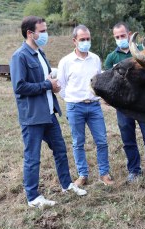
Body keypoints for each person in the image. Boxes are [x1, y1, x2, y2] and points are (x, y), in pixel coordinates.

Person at [10, 16, 87, 208]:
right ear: (30, 33)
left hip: (49, 113)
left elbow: (43, 80)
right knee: (32, 157)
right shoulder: (19, 56)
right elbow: (19, 87)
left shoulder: (40, 54)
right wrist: (46, 85)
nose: (45, 34)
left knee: (60, 150)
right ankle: (33, 197)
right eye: (42, 31)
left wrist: (52, 84)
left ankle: (67, 184)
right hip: (33, 117)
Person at [104, 22, 145, 189]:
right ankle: (134, 170)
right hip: (123, 107)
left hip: (144, 105)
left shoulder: (143, 53)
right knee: (128, 140)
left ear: (129, 35)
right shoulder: (111, 58)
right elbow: (108, 83)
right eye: (117, 37)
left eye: (123, 35)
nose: (120, 39)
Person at [57, 25, 114, 186]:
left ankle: (104, 173)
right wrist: (70, 99)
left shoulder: (95, 59)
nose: (86, 42)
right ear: (74, 41)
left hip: (94, 106)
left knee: (102, 141)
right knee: (78, 142)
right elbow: (61, 85)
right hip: (75, 107)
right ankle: (83, 175)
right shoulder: (66, 62)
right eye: (82, 39)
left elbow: (99, 82)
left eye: (88, 39)